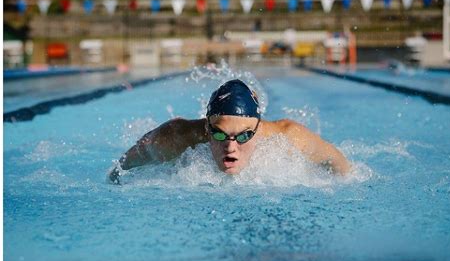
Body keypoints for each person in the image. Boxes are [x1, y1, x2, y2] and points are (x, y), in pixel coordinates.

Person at [108, 79, 350, 184]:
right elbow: (120, 167)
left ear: (258, 129)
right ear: (207, 127)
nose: (231, 147)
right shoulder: (175, 137)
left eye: (244, 136)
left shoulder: (289, 138)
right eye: (220, 135)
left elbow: (339, 164)